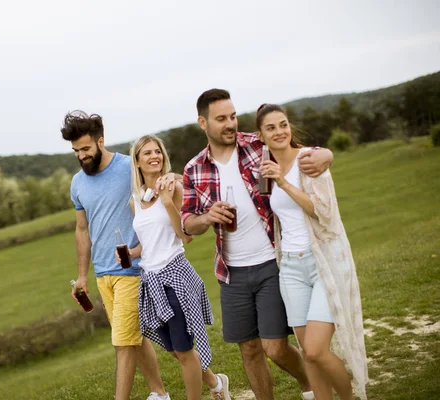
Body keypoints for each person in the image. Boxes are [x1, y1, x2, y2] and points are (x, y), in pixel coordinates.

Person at [181, 89, 335, 400]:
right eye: (221, 119)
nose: (230, 124)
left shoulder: (257, 144)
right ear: (203, 122)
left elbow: (298, 150)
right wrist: (207, 217)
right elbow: (187, 222)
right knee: (249, 350)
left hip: (271, 262)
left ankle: (313, 387)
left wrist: (325, 153)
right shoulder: (194, 169)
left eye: (233, 116)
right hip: (232, 273)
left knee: (275, 348)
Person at [256, 103, 368, 400]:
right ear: (261, 135)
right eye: (271, 127)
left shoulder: (308, 160)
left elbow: (322, 212)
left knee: (318, 350)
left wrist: (283, 181)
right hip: (290, 268)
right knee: (309, 353)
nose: (279, 131)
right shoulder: (265, 167)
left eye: (283, 124)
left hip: (323, 263)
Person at [61, 111, 171, 400]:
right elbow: (82, 230)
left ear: (100, 141)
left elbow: (162, 184)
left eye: (86, 149)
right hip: (103, 274)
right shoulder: (77, 184)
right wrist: (83, 276)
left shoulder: (127, 167)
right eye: (76, 151)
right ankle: (163, 392)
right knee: (135, 339)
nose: (81, 156)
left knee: (122, 342)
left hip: (133, 269)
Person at [119, 134, 231, 400]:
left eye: (157, 151)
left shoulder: (174, 188)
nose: (154, 156)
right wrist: (130, 253)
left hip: (175, 275)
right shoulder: (135, 201)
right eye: (147, 153)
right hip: (151, 279)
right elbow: (147, 243)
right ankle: (216, 384)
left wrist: (169, 203)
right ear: (137, 161)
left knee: (183, 349)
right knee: (173, 348)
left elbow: (186, 236)